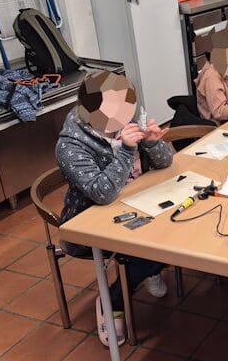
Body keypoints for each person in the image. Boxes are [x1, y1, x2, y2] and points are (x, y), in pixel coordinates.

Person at [56, 70, 173, 346]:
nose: (127, 113)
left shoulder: (128, 120)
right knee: (155, 249)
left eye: (128, 105)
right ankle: (112, 300)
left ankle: (147, 269)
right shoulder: (71, 145)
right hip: (87, 225)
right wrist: (126, 150)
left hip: (139, 206)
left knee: (181, 230)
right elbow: (101, 193)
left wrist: (154, 143)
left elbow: (166, 161)